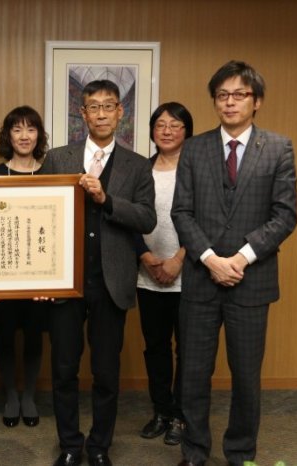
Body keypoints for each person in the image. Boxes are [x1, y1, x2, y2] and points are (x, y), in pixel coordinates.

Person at [171, 61, 297, 466]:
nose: (230, 102)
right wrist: (211, 260)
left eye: (239, 94)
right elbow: (181, 212)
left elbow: (285, 216)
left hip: (251, 281)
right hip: (200, 280)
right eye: (222, 95)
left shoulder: (278, 148)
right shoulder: (194, 148)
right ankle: (194, 450)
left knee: (245, 376)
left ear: (256, 101)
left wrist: (240, 258)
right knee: (193, 374)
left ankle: (240, 452)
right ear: (214, 101)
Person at [40, 80, 156, 466]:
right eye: (94, 107)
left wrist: (107, 200)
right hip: (66, 281)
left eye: (109, 106)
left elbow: (147, 218)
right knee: (64, 369)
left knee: (106, 372)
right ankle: (70, 446)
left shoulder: (138, 165)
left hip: (112, 283)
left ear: (120, 112)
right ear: (83, 113)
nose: (101, 114)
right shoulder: (58, 159)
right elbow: (39, 213)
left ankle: (100, 446)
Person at [134, 102, 194, 447]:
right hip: (148, 274)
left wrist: (178, 260)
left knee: (187, 349)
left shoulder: (196, 169)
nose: (167, 131)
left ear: (187, 131)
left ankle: (181, 416)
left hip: (188, 274)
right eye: (160, 124)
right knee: (155, 347)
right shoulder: (141, 169)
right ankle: (162, 411)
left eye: (175, 125)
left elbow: (207, 219)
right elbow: (128, 219)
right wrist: (146, 258)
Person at [0, 106, 49, 428]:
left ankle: (29, 396)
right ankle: (11, 395)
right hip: (3, 270)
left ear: (39, 135)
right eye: (17, 129)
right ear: (8, 136)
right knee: (5, 333)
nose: (24, 136)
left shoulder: (52, 172)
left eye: (31, 129)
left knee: (33, 334)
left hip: (40, 272)